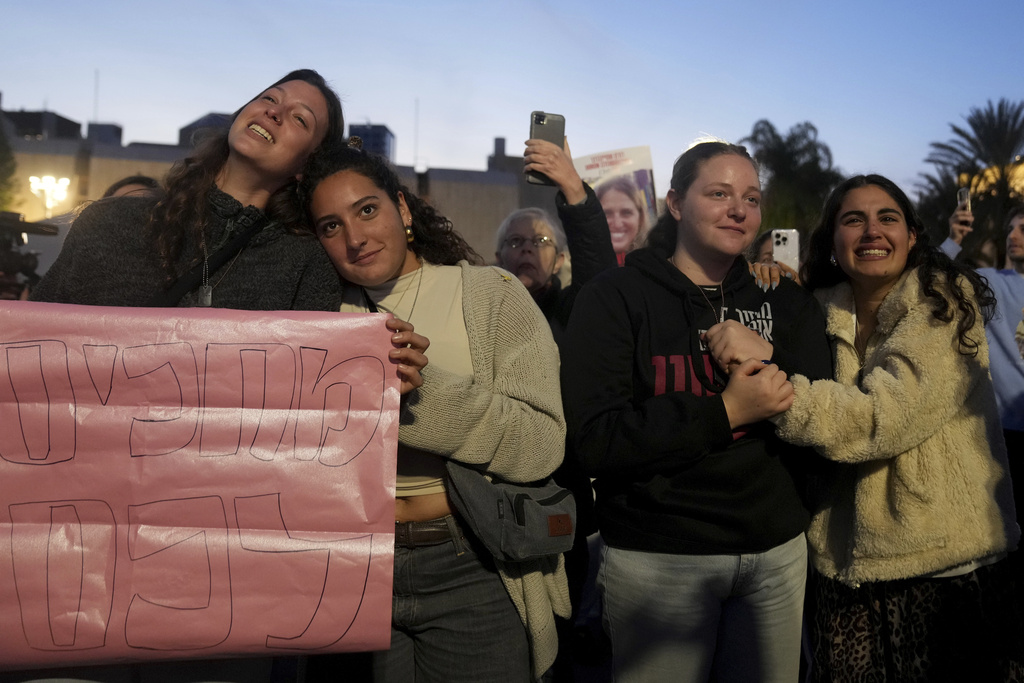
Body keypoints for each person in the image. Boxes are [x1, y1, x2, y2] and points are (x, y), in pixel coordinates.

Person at [298, 140, 569, 683]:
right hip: (351, 569)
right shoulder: (315, 313)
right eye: (330, 226)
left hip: (471, 564)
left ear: (401, 208)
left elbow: (542, 442)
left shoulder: (491, 295)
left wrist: (427, 393)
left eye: (367, 210)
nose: (354, 238)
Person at [561, 141, 832, 683]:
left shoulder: (783, 299)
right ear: (676, 204)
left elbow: (824, 405)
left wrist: (768, 356)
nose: (739, 210)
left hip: (774, 555)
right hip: (659, 558)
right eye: (719, 193)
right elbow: (595, 437)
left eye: (751, 198)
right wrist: (724, 412)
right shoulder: (615, 297)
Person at [764, 174, 1022, 681]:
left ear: (911, 235)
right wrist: (760, 278)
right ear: (832, 240)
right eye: (852, 219)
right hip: (844, 573)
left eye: (887, 218)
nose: (871, 231)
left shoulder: (946, 305)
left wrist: (776, 397)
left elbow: (883, 418)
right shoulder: (817, 310)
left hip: (944, 571)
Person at [32, 69, 345, 311]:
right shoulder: (109, 222)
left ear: (308, 165)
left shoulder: (305, 264)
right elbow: (27, 345)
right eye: (270, 99)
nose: (274, 113)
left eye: (300, 119)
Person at [498, 138, 618, 681]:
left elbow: (600, 268)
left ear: (560, 257)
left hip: (568, 497)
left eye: (540, 240)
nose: (527, 248)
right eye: (515, 241)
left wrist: (573, 191)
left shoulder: (577, 307)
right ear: (497, 256)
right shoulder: (483, 311)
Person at [941, 202, 1024, 507]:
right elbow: (928, 277)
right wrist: (954, 238)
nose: (1012, 235)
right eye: (1010, 229)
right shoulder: (991, 281)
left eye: (1022, 229)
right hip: (997, 433)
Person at [595, 174, 647, 265]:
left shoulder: (657, 264)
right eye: (606, 213)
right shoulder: (580, 266)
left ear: (640, 218)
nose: (617, 224)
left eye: (626, 213)